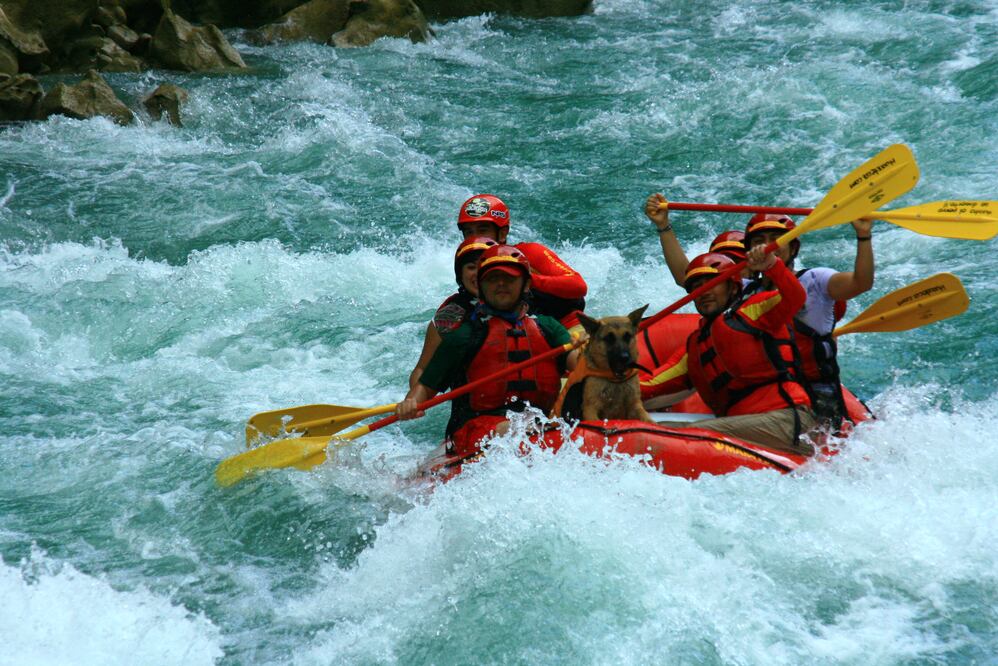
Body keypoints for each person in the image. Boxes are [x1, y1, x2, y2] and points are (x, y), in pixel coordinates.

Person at [397, 244, 575, 456]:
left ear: (526, 284)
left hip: (540, 422)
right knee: (515, 430)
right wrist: (411, 403)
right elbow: (425, 388)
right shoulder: (463, 335)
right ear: (480, 286)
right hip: (476, 428)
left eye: (509, 278)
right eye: (492, 279)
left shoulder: (548, 327)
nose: (501, 284)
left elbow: (579, 363)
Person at [640, 248, 816, 456]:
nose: (703, 292)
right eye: (696, 287)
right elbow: (650, 385)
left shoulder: (754, 310)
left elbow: (795, 297)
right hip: (744, 426)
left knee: (677, 434)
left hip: (786, 419)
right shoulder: (696, 347)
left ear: (733, 288)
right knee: (653, 430)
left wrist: (772, 265)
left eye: (711, 284)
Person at [742, 212, 874, 427]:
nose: (767, 247)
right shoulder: (745, 291)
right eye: (759, 242)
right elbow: (691, 280)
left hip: (814, 392)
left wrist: (863, 236)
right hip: (764, 393)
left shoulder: (815, 281)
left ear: (793, 248)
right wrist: (665, 226)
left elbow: (861, 283)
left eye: (777, 239)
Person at [456, 194, 588, 334]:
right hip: (516, 334)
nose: (476, 238)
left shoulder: (530, 252)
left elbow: (578, 286)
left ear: (502, 233)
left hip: (566, 326)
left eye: (483, 230)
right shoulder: (466, 265)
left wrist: (524, 278)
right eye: (469, 232)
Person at [408, 236, 496, 389]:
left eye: (484, 265)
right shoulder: (451, 314)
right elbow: (422, 369)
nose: (478, 273)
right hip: (470, 405)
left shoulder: (523, 305)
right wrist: (413, 400)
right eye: (471, 267)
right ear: (460, 275)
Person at [644, 193, 751, 284]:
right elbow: (684, 277)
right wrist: (663, 225)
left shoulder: (762, 290)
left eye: (736, 263)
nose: (727, 271)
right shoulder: (714, 291)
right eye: (719, 264)